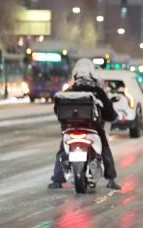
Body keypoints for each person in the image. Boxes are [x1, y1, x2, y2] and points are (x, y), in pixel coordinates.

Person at [48, 58, 122, 190]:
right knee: (104, 148)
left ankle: (57, 180)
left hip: (70, 129)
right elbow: (108, 112)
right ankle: (111, 179)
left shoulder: (68, 91)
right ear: (92, 74)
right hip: (93, 129)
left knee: (61, 151)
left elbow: (57, 110)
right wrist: (113, 117)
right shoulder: (97, 92)